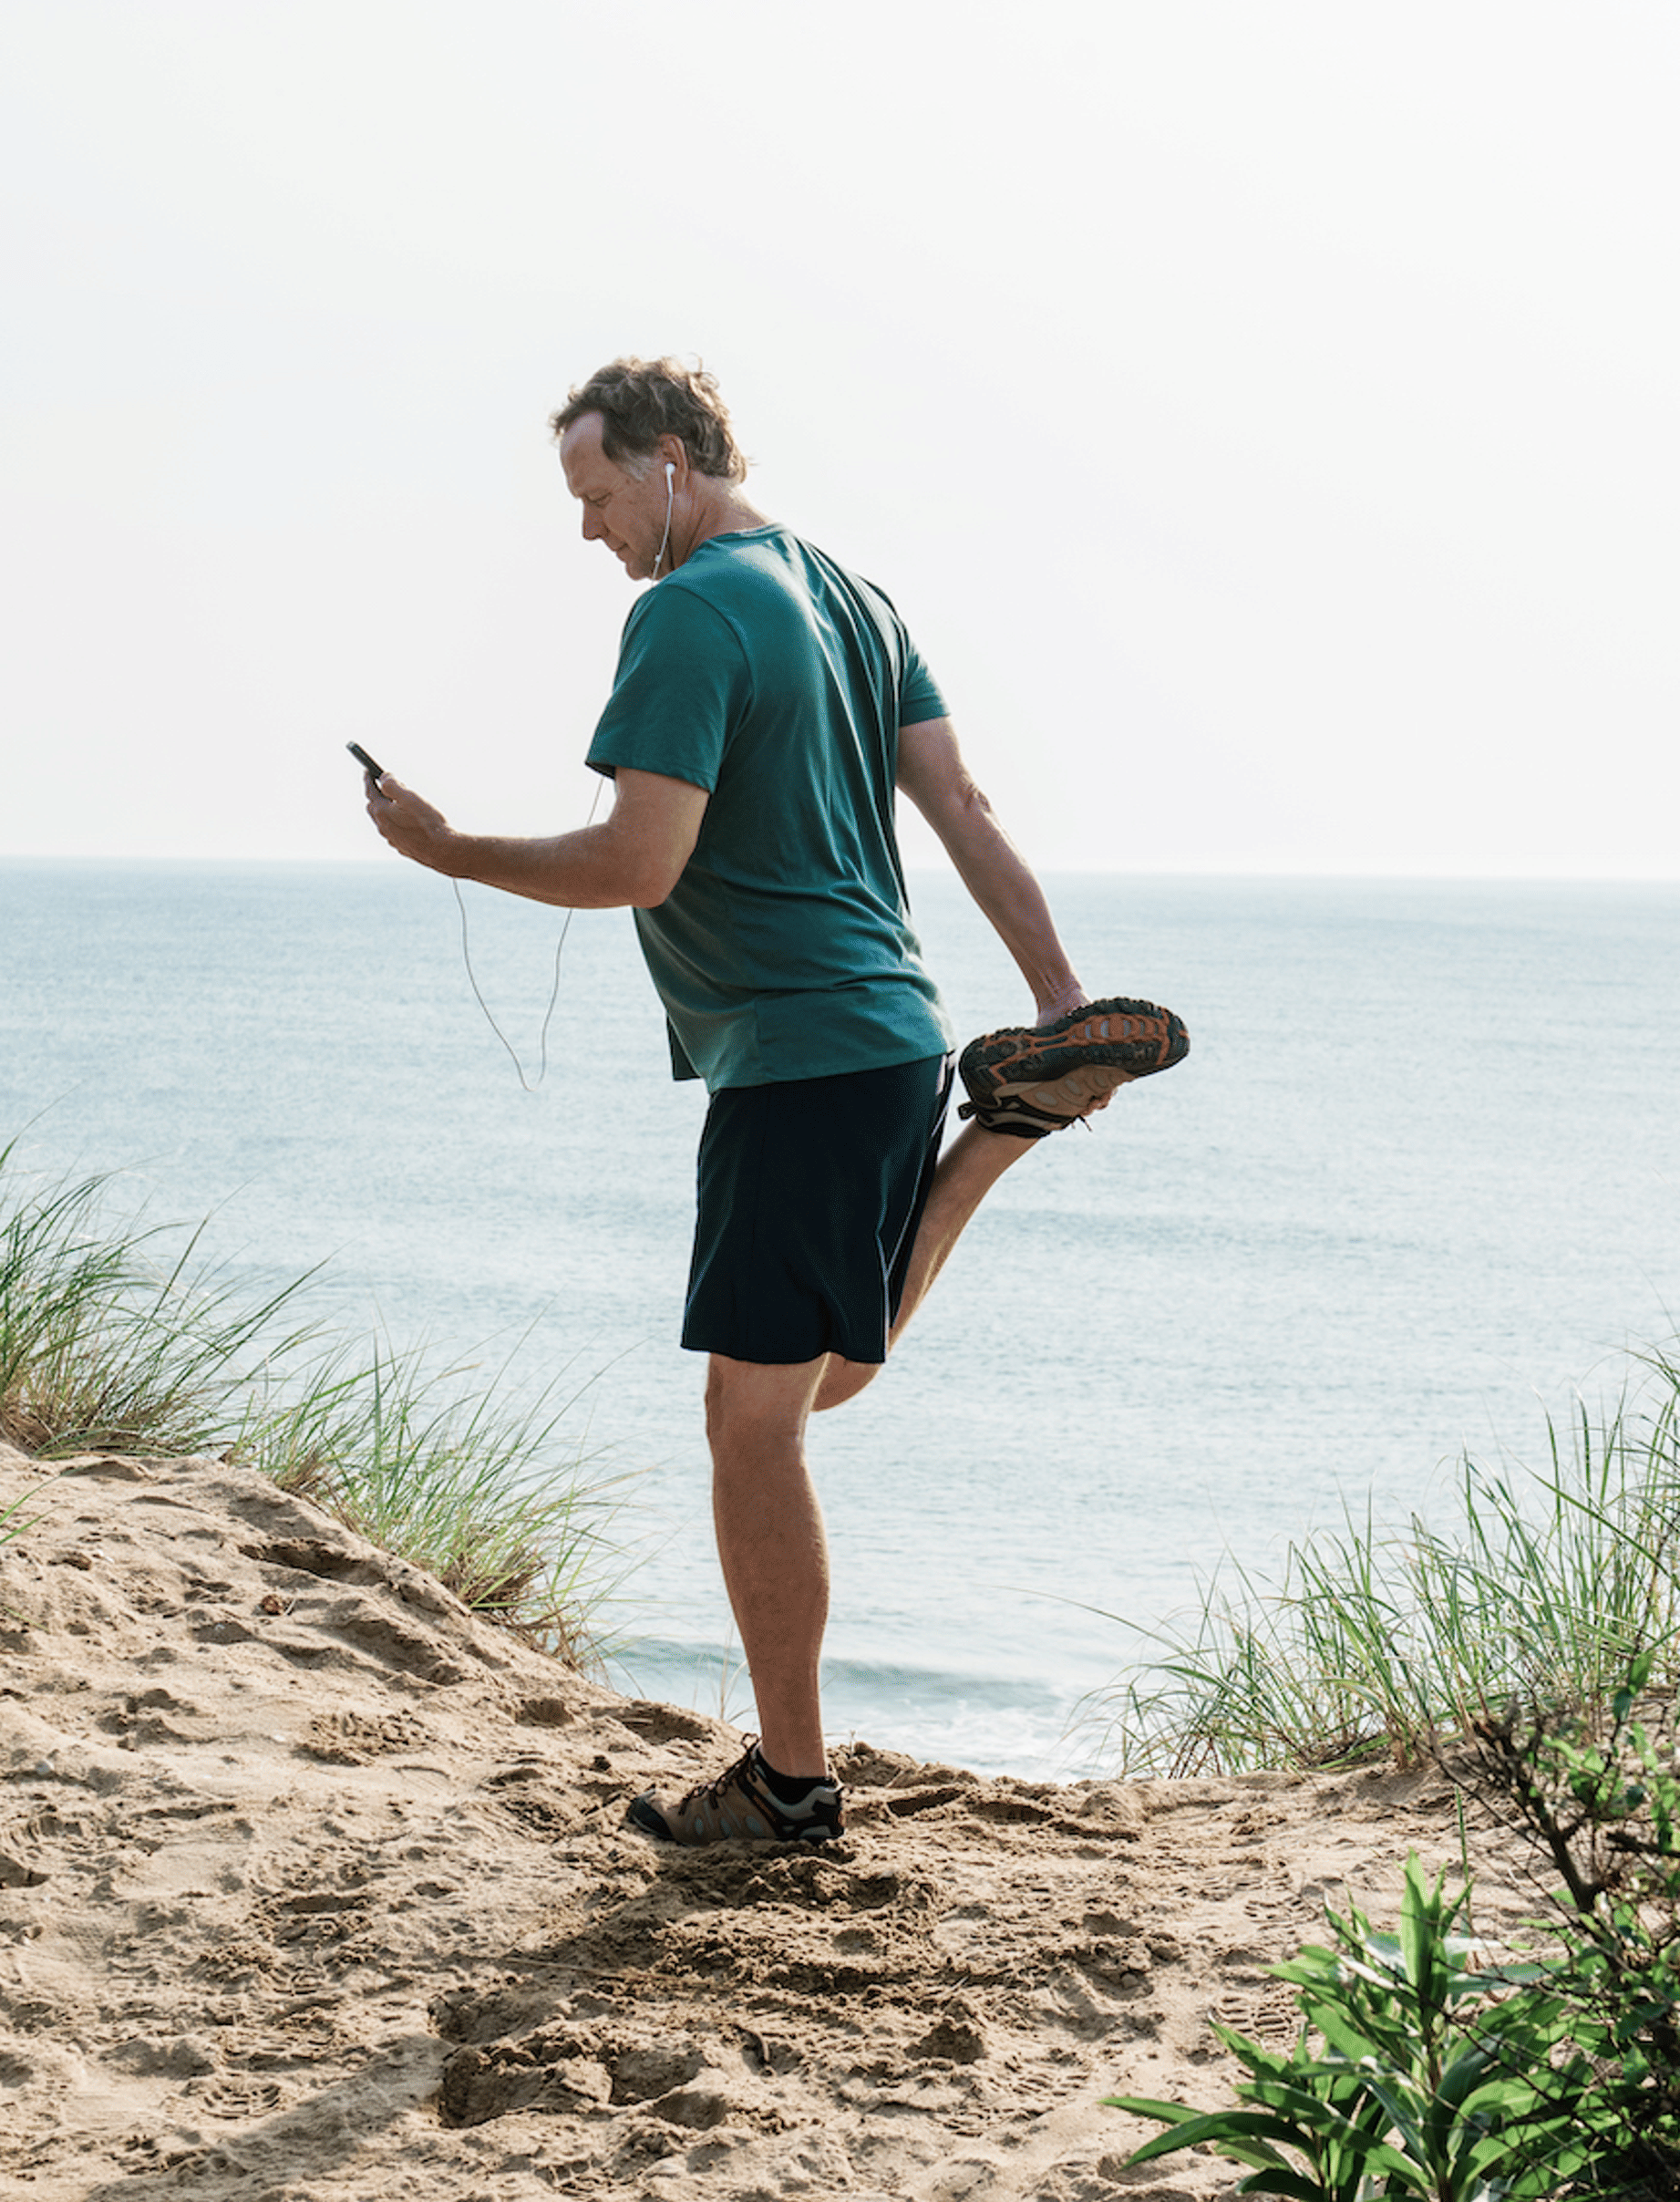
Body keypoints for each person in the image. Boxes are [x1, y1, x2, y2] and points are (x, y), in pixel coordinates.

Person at [363, 357, 1186, 1845]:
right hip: (888, 1035)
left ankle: (791, 1785)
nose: (593, 530)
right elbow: (967, 811)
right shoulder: (857, 598)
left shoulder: (683, 613)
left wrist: (447, 848)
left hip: (801, 1056)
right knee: (822, 1378)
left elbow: (635, 865)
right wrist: (1061, 1000)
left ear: (672, 462)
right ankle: (1002, 1124)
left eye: (599, 493)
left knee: (755, 1423)